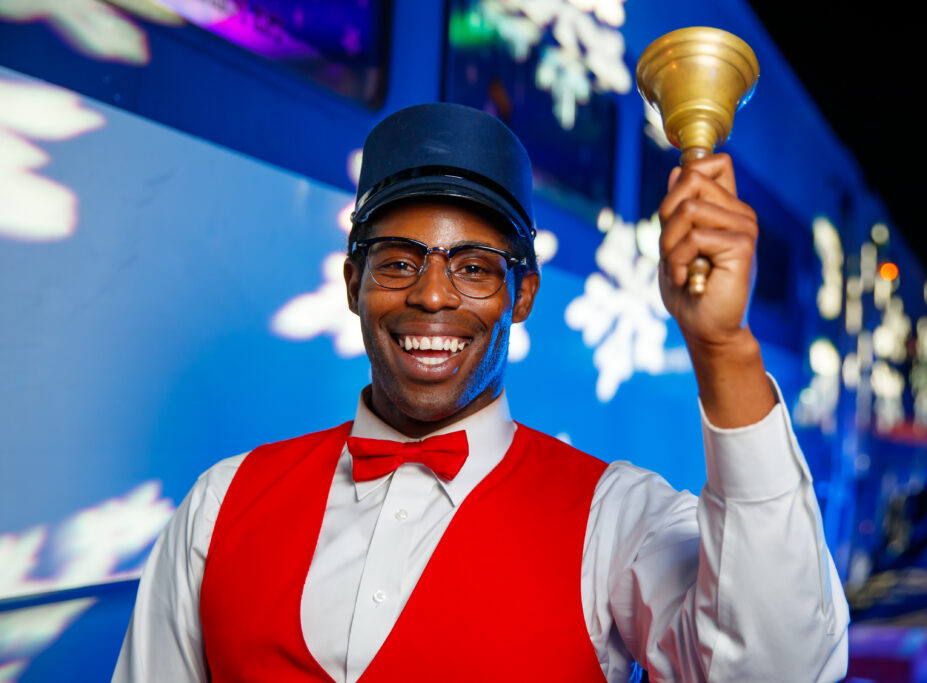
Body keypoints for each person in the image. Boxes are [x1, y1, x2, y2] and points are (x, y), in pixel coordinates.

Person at [113, 102, 849, 682]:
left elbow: (780, 668)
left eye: (474, 266)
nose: (432, 296)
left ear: (522, 292)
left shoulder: (615, 518)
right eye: (398, 262)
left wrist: (722, 348)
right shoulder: (220, 505)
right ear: (352, 283)